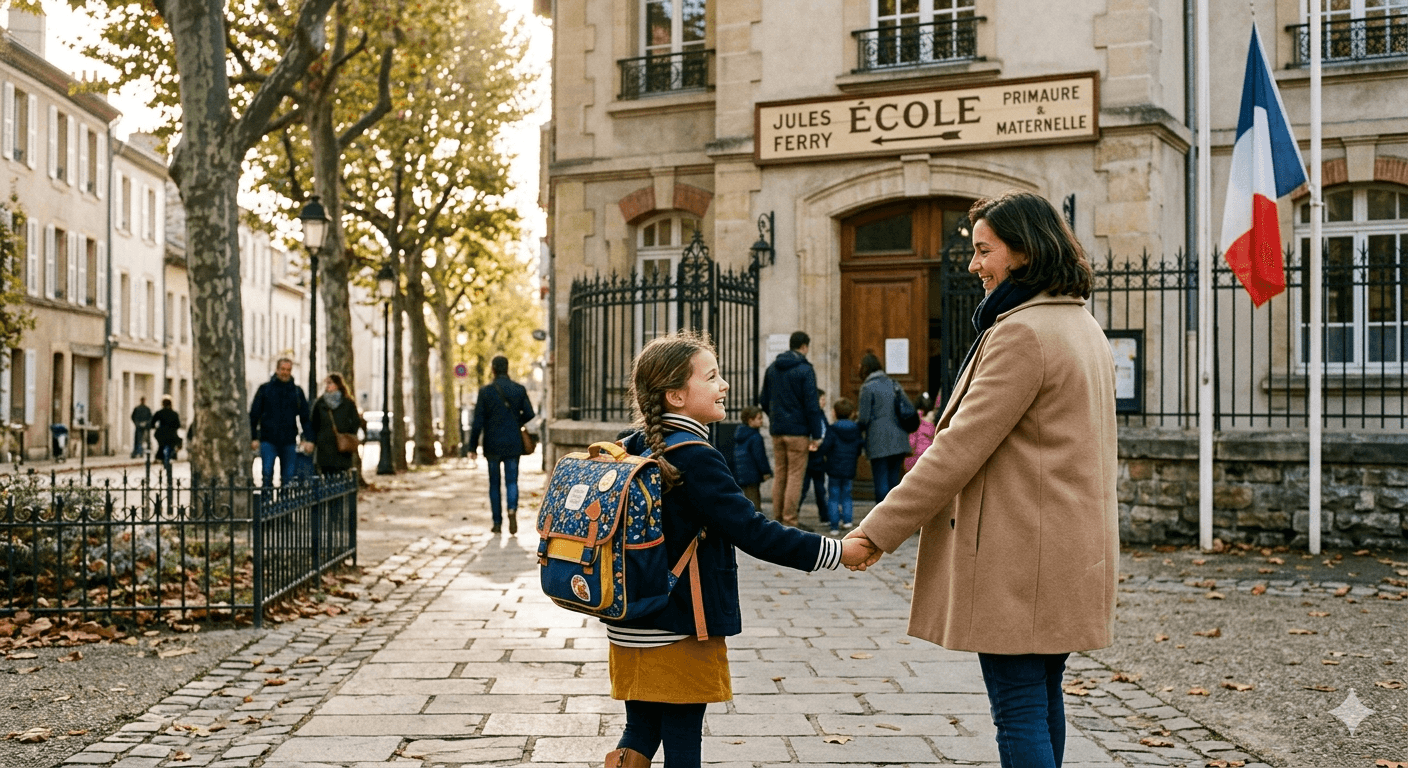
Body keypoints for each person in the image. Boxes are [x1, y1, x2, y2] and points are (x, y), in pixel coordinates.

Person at [844, 190, 1118, 768]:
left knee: (1018, 708)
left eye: (983, 250)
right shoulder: (1079, 324)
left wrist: (875, 532)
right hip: (1064, 551)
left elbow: (955, 451)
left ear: (1023, 252)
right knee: (1041, 698)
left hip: (1021, 555)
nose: (973, 264)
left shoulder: (1022, 333)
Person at [606, 330, 872, 768]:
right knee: (683, 743)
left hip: (630, 621)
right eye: (711, 377)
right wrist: (836, 552)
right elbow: (753, 531)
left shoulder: (630, 446)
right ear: (675, 395)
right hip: (681, 625)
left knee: (640, 731)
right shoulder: (695, 456)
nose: (723, 385)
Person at [756, 331, 825, 529]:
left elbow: (763, 399)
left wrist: (775, 418)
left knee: (781, 474)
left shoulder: (772, 368)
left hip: (778, 431)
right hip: (798, 432)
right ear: (804, 346)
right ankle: (789, 521)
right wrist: (817, 434)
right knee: (795, 476)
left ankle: (777, 520)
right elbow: (812, 405)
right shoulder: (805, 369)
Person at [468, 355, 535, 534]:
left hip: (492, 444)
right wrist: (515, 421)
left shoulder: (486, 391)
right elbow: (530, 413)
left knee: (494, 484)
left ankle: (497, 523)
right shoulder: (518, 389)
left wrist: (471, 447)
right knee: (512, 481)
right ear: (507, 368)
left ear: (493, 369)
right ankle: (512, 509)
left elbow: (478, 421)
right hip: (513, 442)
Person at [855, 353, 910, 503]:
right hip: (899, 438)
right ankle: (895, 516)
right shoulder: (894, 383)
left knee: (881, 481)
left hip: (878, 440)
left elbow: (864, 418)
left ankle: (882, 520)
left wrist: (856, 423)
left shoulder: (867, 387)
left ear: (866, 368)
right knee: (894, 481)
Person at [249, 358, 312, 488]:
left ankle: (284, 505)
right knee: (266, 474)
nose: (285, 372)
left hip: (288, 440)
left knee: (288, 478)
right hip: (268, 439)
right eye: (282, 369)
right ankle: (266, 505)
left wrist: (308, 438)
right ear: (277, 370)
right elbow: (254, 415)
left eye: (288, 370)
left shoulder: (297, 392)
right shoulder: (265, 389)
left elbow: (305, 418)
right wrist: (254, 437)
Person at [818, 397, 862, 536]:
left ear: (835, 413)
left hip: (834, 468)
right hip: (849, 467)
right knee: (847, 495)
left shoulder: (832, 429)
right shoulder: (856, 430)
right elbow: (859, 447)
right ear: (851, 413)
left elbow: (825, 447)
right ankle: (848, 520)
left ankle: (834, 526)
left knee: (833, 496)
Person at [310, 373, 365, 477]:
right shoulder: (320, 403)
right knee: (327, 475)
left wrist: (347, 432)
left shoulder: (347, 402)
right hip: (324, 447)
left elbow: (356, 421)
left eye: (330, 383)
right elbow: (313, 423)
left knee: (341, 475)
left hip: (342, 447)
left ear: (337, 384)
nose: (327, 386)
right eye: (326, 383)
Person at [797, 390, 829, 525]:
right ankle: (793, 513)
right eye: (822, 399)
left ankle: (824, 516)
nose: (824, 402)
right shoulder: (811, 416)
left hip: (818, 458)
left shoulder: (821, 415)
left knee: (820, 489)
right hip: (810, 456)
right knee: (802, 489)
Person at [731, 406, 771, 512]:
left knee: (746, 498)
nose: (761, 421)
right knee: (754, 501)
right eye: (759, 418)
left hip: (741, 472)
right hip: (752, 473)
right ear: (750, 420)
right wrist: (766, 471)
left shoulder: (740, 434)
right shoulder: (756, 436)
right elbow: (760, 457)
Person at [903, 393, 939, 473]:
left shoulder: (915, 420)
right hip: (930, 456)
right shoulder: (933, 421)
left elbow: (912, 441)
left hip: (915, 457)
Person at [151, 396, 182, 470]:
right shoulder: (174, 413)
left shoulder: (159, 413)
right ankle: (172, 455)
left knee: (161, 446)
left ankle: (161, 457)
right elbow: (178, 425)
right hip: (171, 434)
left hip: (161, 434)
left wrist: (155, 427)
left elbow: (152, 422)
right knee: (172, 445)